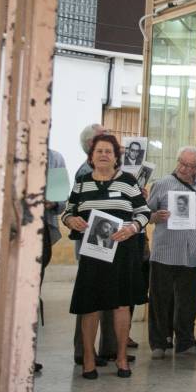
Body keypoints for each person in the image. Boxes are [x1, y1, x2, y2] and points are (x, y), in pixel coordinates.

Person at [62, 134, 150, 379]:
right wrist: (71, 220)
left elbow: (144, 212)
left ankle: (121, 357)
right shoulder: (81, 183)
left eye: (108, 151)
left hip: (122, 252)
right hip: (92, 253)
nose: (103, 155)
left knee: (122, 305)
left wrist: (132, 228)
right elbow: (68, 211)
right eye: (99, 151)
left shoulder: (128, 181)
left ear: (115, 157)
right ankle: (88, 359)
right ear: (91, 156)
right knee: (90, 306)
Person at [146, 147, 196, 359]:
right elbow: (145, 214)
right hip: (166, 251)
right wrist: (156, 216)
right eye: (181, 163)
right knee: (160, 299)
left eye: (190, 166)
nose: (184, 168)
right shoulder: (162, 184)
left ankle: (184, 342)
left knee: (188, 301)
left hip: (193, 253)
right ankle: (159, 343)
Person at [71, 124, 118, 366]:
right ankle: (84, 350)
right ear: (93, 147)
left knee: (111, 295)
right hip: (92, 244)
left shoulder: (116, 174)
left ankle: (110, 348)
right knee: (89, 298)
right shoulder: (84, 173)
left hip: (112, 243)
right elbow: (74, 209)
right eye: (103, 140)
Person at [36, 148, 68, 373]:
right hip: (10, 226)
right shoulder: (6, 152)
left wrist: (51, 202)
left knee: (33, 289)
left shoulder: (55, 157)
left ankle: (27, 351)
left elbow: (60, 197)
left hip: (41, 227)